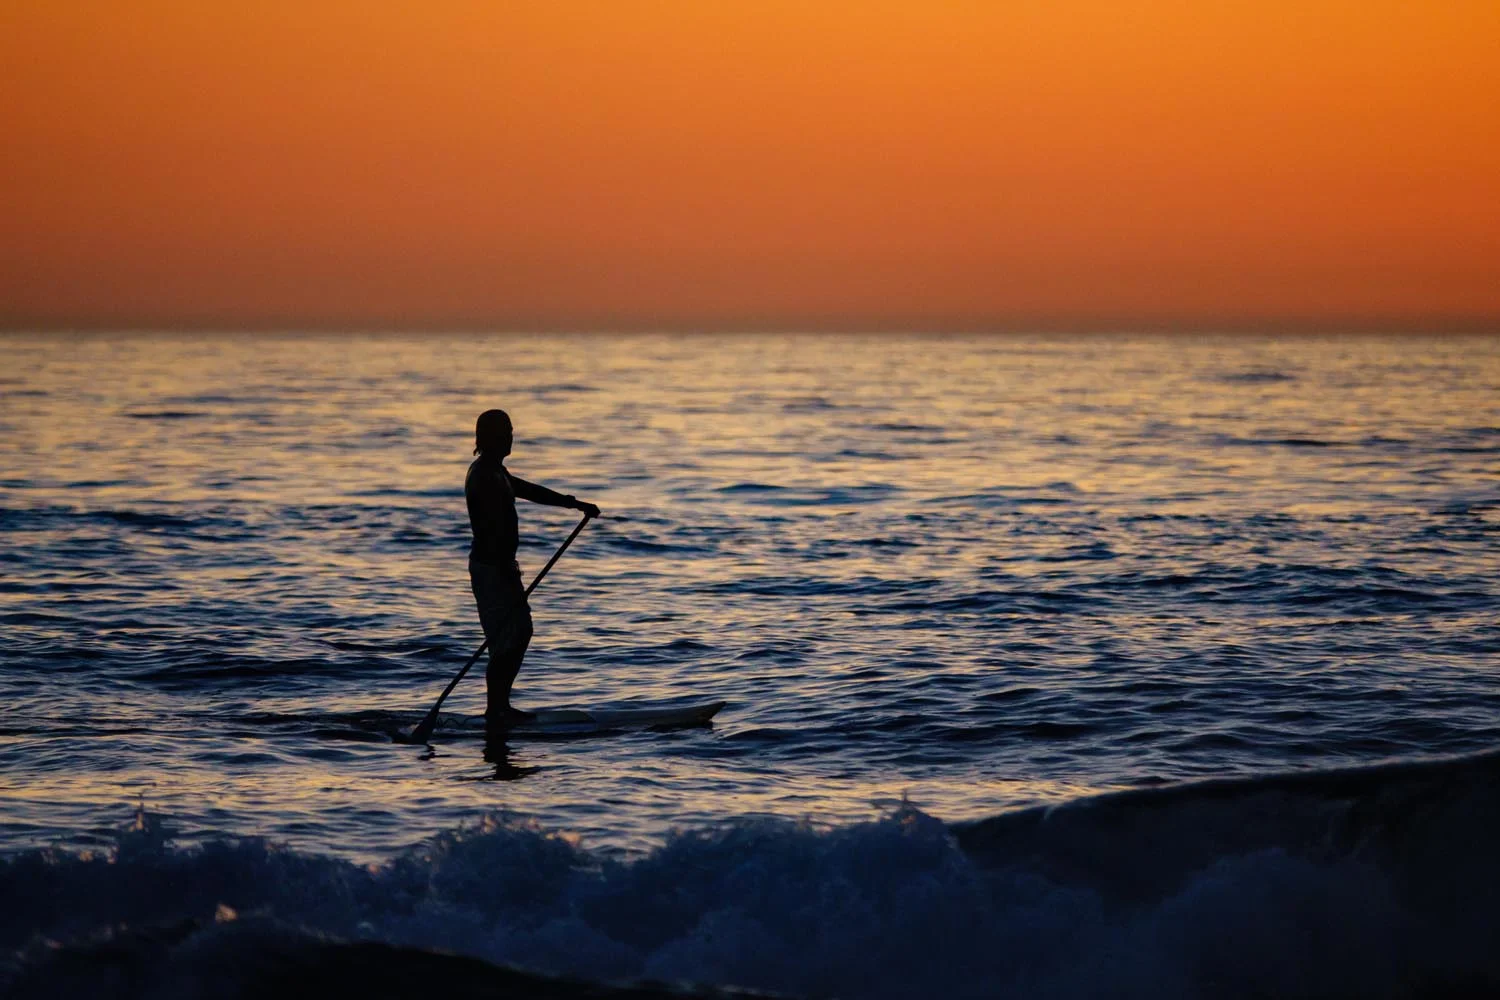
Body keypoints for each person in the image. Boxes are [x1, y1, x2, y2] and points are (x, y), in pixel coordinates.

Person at [465, 408, 599, 726]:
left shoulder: (496, 471)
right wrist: (503, 568)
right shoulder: (484, 474)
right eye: (506, 432)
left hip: (500, 568)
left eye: (511, 430)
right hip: (492, 569)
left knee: (516, 633)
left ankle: (499, 707)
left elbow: (526, 490)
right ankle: (496, 709)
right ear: (490, 437)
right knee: (509, 636)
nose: (512, 436)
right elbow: (490, 526)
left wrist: (572, 502)